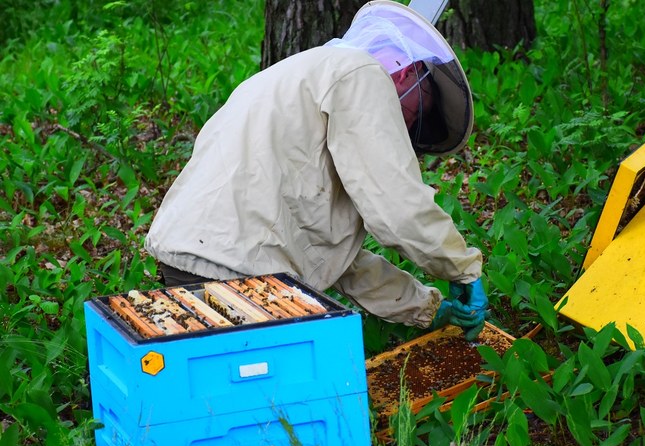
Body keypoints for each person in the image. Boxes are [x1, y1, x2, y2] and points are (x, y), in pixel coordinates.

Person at [144, 1, 488, 340]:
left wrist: (425, 306)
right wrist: (462, 269)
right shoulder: (363, 75)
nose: (410, 122)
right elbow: (398, 206)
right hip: (244, 276)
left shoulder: (298, 77)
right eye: (420, 107)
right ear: (406, 72)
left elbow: (331, 255)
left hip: (184, 260)